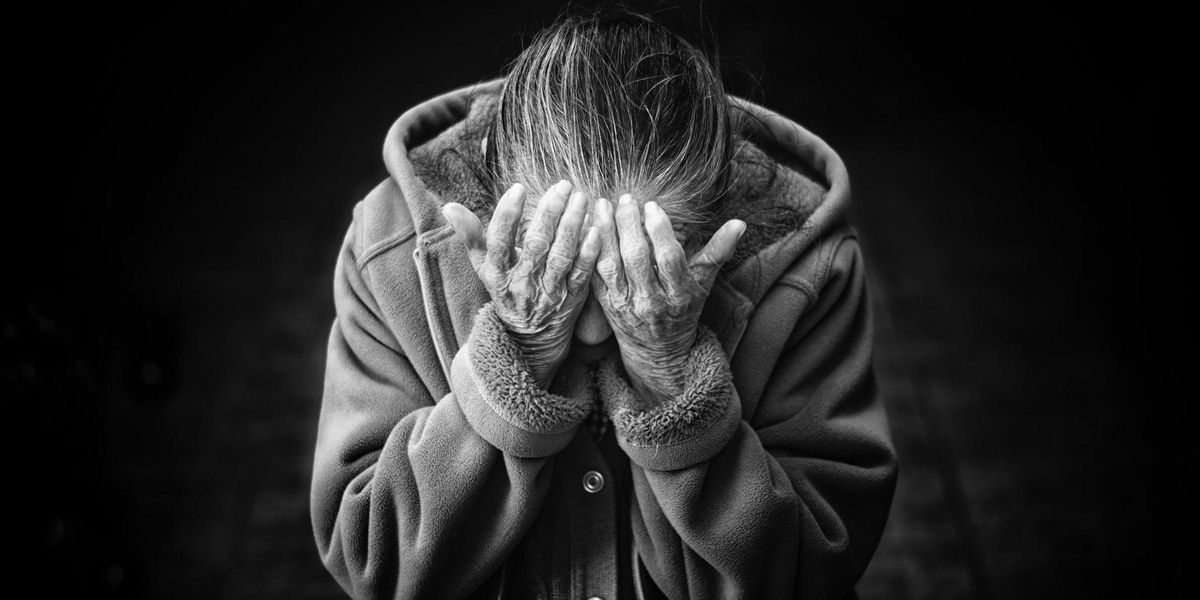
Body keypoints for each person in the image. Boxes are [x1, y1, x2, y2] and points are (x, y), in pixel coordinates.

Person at [310, 8, 897, 600]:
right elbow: (374, 564)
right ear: (491, 198)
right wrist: (513, 357)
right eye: (557, 265)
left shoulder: (812, 269)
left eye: (643, 266)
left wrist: (673, 380)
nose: (592, 330)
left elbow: (811, 575)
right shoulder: (388, 249)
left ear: (723, 217)